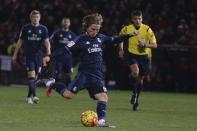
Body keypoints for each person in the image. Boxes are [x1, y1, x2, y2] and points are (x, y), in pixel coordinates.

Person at [42, 13, 139, 127]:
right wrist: (49, 56)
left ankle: (101, 121)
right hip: (84, 74)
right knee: (69, 95)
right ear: (86, 27)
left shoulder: (101, 37)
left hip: (97, 75)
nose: (95, 32)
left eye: (97, 29)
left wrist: (129, 35)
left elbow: (114, 40)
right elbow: (64, 50)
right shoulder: (79, 39)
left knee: (103, 97)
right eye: (93, 29)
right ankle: (52, 84)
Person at [119, 10, 157, 111]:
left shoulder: (147, 29)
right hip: (132, 54)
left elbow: (155, 45)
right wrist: (121, 49)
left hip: (144, 56)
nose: (137, 21)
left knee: (141, 80)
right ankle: (133, 77)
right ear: (132, 19)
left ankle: (135, 97)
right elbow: (120, 38)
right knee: (135, 72)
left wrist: (145, 45)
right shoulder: (127, 29)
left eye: (139, 19)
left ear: (142, 19)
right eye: (135, 19)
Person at [12, 10, 51, 104]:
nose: (35, 18)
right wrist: (15, 54)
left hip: (39, 56)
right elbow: (20, 42)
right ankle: (35, 96)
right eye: (33, 17)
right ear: (31, 18)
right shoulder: (26, 28)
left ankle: (29, 96)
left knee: (35, 78)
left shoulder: (43, 29)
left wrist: (48, 53)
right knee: (32, 77)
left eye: (37, 17)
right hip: (29, 56)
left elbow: (47, 42)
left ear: (40, 18)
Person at [47, 17, 76, 96]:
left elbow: (76, 46)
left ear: (69, 24)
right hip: (58, 58)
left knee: (68, 75)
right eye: (64, 22)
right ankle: (50, 88)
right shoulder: (57, 33)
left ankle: (69, 91)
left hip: (68, 58)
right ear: (62, 23)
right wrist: (50, 53)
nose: (66, 23)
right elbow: (49, 42)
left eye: (67, 22)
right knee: (58, 76)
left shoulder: (72, 35)